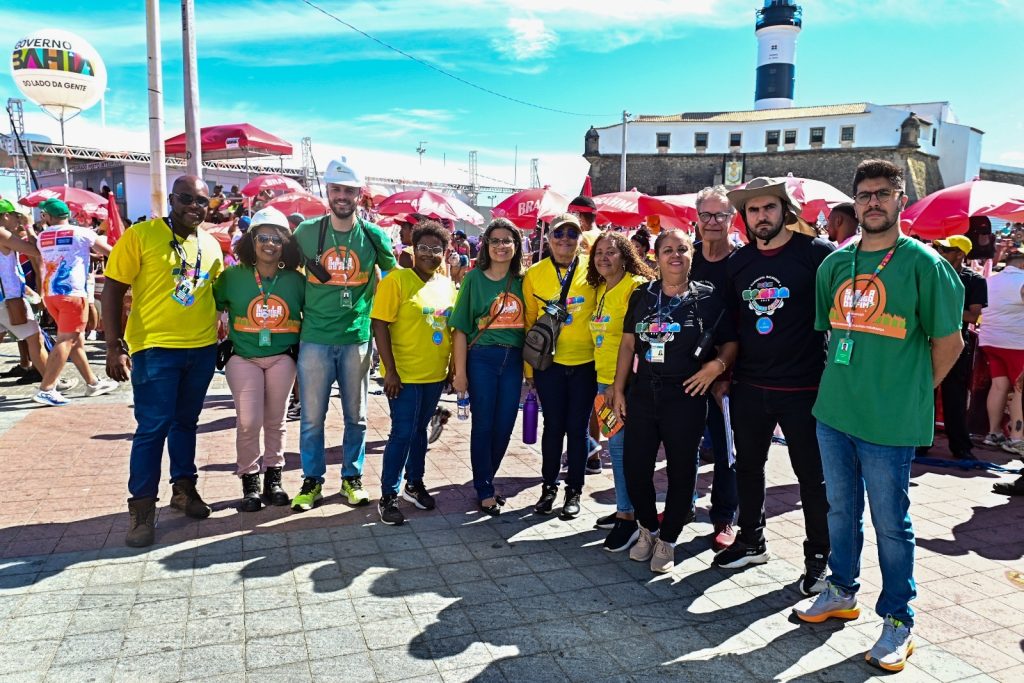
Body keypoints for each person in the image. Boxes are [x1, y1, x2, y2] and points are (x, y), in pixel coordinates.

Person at [794, 159, 965, 673]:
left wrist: (913, 392)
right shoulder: (834, 265)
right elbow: (831, 333)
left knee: (892, 524)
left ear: (899, 200)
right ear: (855, 202)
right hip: (834, 413)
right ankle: (841, 590)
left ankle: (897, 619)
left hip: (890, 421)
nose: (873, 203)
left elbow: (950, 343)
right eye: (865, 195)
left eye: (883, 194)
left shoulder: (925, 264)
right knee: (840, 511)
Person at [711, 177, 834, 601]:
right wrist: (724, 373)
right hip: (749, 385)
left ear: (785, 210)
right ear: (745, 218)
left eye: (768, 207)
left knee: (812, 478)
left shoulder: (817, 254)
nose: (761, 216)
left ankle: (819, 557)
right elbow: (731, 324)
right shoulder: (739, 263)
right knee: (748, 467)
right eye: (753, 210)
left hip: (805, 388)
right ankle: (751, 541)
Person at [102, 175, 225, 547]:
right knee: (152, 427)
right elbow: (113, 288)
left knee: (186, 423)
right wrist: (113, 345)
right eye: (186, 198)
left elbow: (215, 294)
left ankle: (184, 489)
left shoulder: (211, 245)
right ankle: (141, 508)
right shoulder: (141, 235)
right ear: (172, 199)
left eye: (201, 201)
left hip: (201, 349)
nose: (194, 206)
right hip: (154, 348)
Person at [607, 229, 737, 572]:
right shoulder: (642, 295)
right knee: (635, 467)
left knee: (682, 471)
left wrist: (716, 367)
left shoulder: (708, 298)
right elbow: (627, 345)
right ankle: (648, 529)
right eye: (667, 249)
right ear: (656, 256)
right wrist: (618, 389)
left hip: (686, 394)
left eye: (682, 249)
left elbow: (730, 343)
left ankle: (669, 539)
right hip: (643, 391)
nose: (675, 255)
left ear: (691, 255)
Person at [290, 158, 397, 512]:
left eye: (348, 191)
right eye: (336, 189)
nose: (341, 196)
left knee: (357, 417)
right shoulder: (306, 232)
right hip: (314, 338)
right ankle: (312, 481)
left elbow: (395, 279)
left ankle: (353, 477)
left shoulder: (373, 235)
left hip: (357, 339)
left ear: (359, 195)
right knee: (311, 419)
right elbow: (285, 272)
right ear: (327, 191)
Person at [213, 208, 304, 512]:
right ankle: (249, 482)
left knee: (276, 420)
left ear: (285, 244)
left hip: (282, 357)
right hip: (243, 357)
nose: (269, 244)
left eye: (277, 239)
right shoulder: (232, 276)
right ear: (251, 241)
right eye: (263, 237)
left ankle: (273, 480)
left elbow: (315, 308)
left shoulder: (296, 280)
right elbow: (210, 307)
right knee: (248, 421)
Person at [371, 221, 456, 525]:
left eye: (437, 249)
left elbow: (451, 328)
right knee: (403, 432)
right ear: (413, 249)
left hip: (434, 374)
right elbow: (379, 324)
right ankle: (388, 495)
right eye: (423, 248)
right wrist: (390, 372)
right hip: (403, 376)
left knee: (420, 431)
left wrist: (452, 368)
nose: (430, 254)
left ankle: (414, 483)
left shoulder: (446, 285)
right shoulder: (396, 281)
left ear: (445, 252)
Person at [450, 218, 526, 515]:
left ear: (516, 245)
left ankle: (487, 479)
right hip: (482, 358)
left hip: (514, 360)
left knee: (505, 425)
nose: (501, 246)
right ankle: (484, 488)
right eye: (495, 240)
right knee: (483, 424)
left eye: (507, 240)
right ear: (485, 245)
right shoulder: (474, 279)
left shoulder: (524, 280)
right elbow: (460, 328)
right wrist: (460, 373)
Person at [523, 213, 597, 518]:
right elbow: (529, 321)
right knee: (553, 427)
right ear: (548, 238)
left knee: (578, 429)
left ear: (580, 238)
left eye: (572, 234)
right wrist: (529, 371)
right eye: (559, 233)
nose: (565, 239)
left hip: (586, 363)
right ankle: (549, 487)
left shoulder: (593, 268)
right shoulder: (534, 273)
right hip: (549, 365)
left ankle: (574, 490)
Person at [587, 232, 654, 550]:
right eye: (598, 252)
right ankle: (624, 509)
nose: (604, 257)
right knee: (616, 448)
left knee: (621, 449)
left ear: (626, 256)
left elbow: (638, 341)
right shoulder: (602, 288)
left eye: (611, 252)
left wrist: (619, 385)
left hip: (623, 384)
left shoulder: (635, 287)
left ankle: (629, 519)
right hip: (604, 382)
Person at [689, 185, 740, 552]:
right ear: (696, 218)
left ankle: (725, 517)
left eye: (720, 215)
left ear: (731, 219)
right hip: (687, 370)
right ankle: (682, 505)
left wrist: (727, 372)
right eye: (705, 215)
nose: (712, 222)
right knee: (683, 444)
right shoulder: (687, 257)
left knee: (726, 451)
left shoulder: (743, 262)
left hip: (729, 372)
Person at [32, 198, 118, 406]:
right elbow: (111, 252)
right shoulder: (82, 233)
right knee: (67, 340)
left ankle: (92, 383)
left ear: (47, 216)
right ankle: (46, 389)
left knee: (75, 340)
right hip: (73, 293)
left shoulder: (42, 236)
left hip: (51, 294)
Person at [0, 201, 78, 394]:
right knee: (35, 340)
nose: (18, 220)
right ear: (5, 215)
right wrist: (28, 226)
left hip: (6, 298)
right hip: (8, 300)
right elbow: (38, 250)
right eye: (16, 215)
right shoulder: (2, 234)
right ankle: (51, 384)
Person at [929, 235, 987, 459]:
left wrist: (942, 310)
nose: (940, 252)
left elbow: (973, 316)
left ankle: (960, 446)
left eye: (946, 249)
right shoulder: (932, 273)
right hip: (927, 342)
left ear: (960, 254)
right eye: (939, 248)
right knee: (926, 394)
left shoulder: (975, 280)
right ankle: (921, 442)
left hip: (956, 344)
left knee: (955, 396)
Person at [979, 246, 1024, 456]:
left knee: (999, 386)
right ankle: (1017, 438)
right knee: (1020, 390)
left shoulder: (991, 280)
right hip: (1016, 343)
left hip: (990, 340)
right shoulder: (1021, 280)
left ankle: (993, 433)